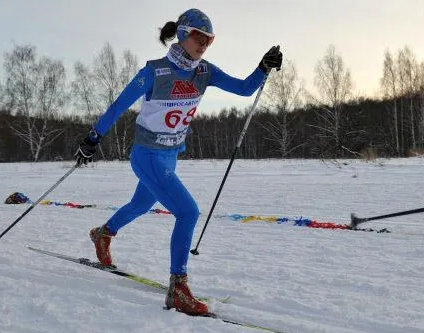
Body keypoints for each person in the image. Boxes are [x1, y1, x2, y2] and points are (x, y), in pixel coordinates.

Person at [74, 8, 282, 315]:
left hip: (170, 156)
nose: (203, 45)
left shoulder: (204, 72)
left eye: (208, 40)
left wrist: (262, 67)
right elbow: (120, 105)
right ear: (183, 35)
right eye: (198, 38)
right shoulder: (154, 71)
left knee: (142, 204)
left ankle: (103, 233)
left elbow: (243, 88)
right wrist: (94, 137)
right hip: (146, 156)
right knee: (188, 212)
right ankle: (178, 288)